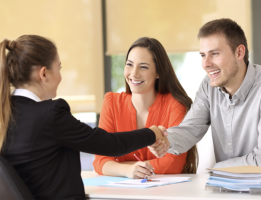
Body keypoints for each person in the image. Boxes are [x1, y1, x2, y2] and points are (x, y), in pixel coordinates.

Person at [0, 35, 168, 200]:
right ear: (44, 74)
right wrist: (152, 133)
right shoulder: (50, 114)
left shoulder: (5, 113)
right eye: (59, 68)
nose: (60, 76)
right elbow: (109, 144)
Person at [150, 18, 261, 168]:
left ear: (239, 52)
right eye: (203, 55)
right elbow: (190, 129)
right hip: (228, 186)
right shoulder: (209, 86)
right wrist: (165, 140)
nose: (205, 64)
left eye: (214, 54)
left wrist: (216, 169)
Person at [93, 37, 198, 179]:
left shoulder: (175, 105)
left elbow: (173, 163)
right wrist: (128, 171)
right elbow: (100, 161)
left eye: (143, 67)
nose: (134, 74)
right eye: (129, 64)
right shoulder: (111, 103)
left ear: (158, 72)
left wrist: (120, 167)